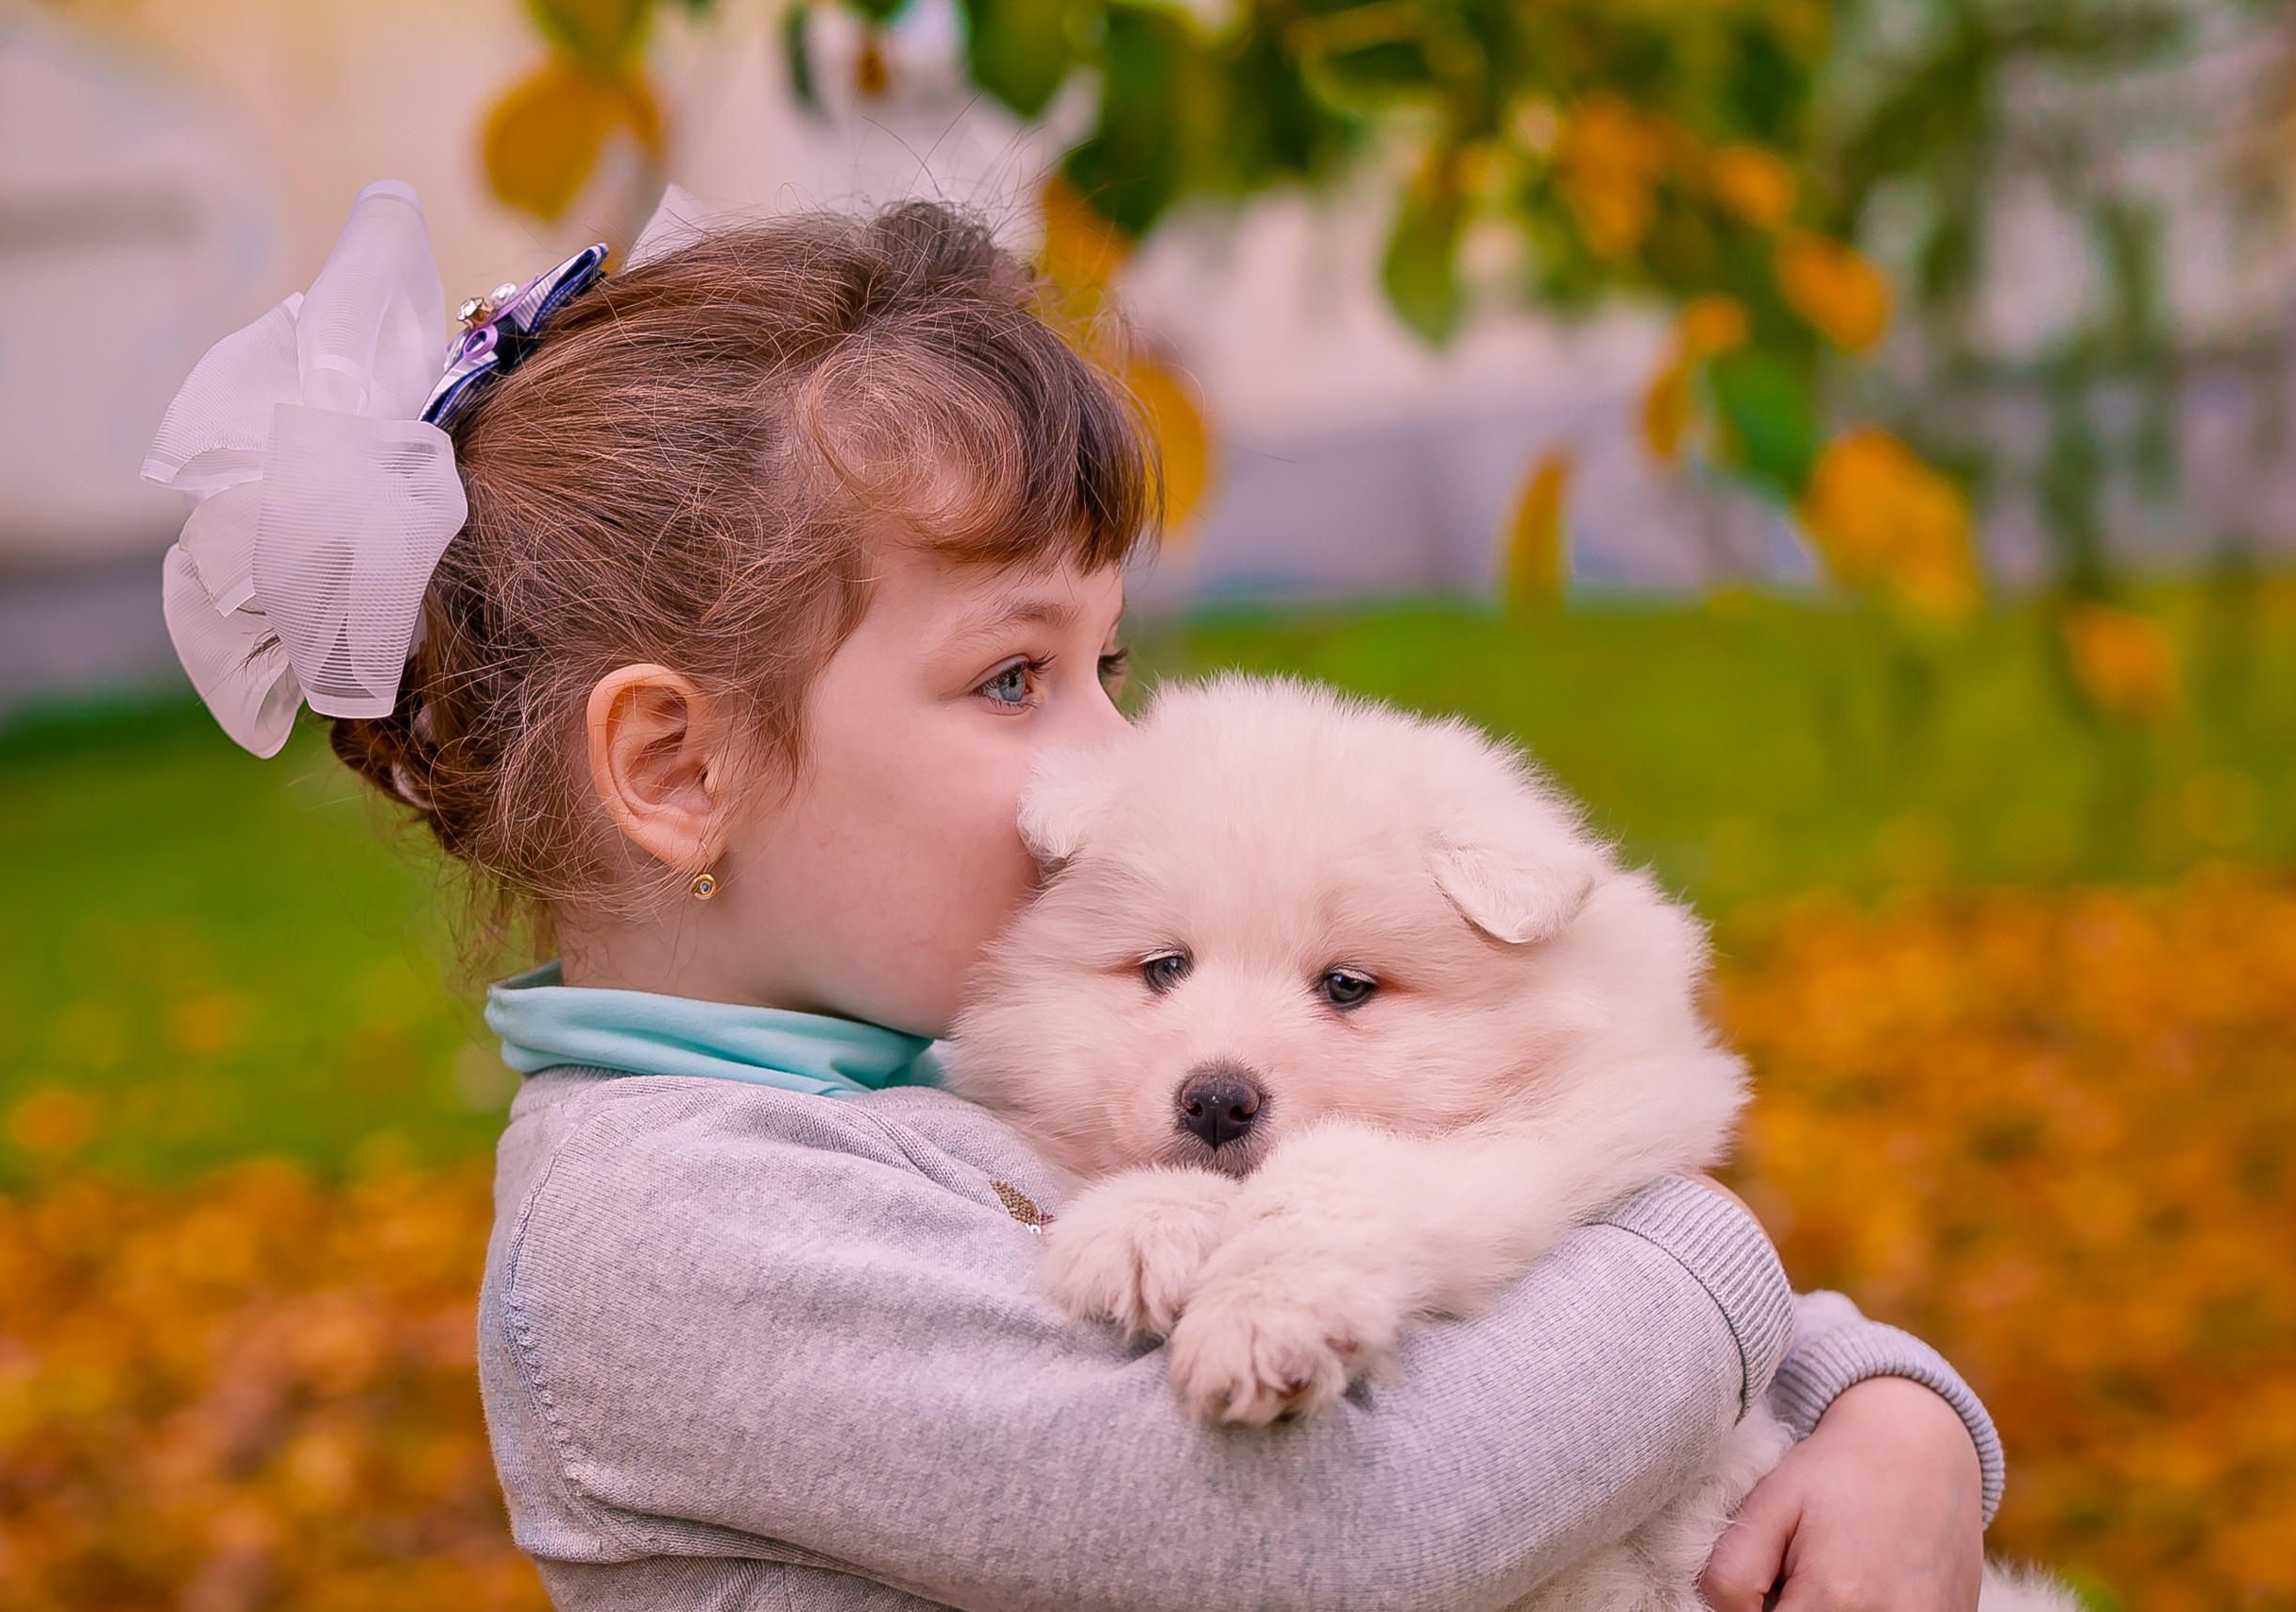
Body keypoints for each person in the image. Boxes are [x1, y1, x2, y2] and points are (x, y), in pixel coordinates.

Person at [145, 182, 2001, 1612]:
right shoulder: (671, 1231)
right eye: (1016, 677)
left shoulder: (922, 1057)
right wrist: (1710, 1257)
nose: (1115, 758)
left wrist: (1885, 1404)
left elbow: (1429, 1253)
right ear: (676, 768)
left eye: (1110, 659)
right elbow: (1343, 1533)